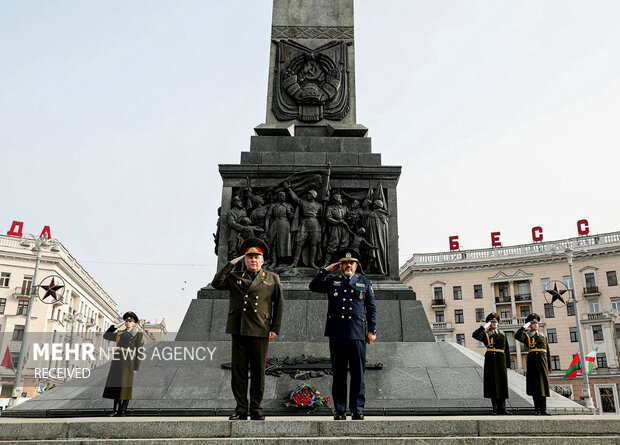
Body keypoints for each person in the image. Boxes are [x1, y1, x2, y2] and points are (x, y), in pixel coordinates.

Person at [211, 237, 284, 420]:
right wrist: (230, 263)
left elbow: (279, 304)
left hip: (260, 329)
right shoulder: (235, 277)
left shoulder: (272, 278)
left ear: (262, 260)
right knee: (239, 371)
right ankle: (241, 408)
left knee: (258, 372)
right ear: (245, 260)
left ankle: (256, 408)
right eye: (250, 257)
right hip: (240, 328)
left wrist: (275, 327)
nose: (253, 260)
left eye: (256, 257)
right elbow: (217, 283)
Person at [309, 247, 377, 420]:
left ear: (356, 265)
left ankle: (357, 409)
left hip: (357, 334)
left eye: (351, 263)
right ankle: (340, 410)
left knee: (358, 374)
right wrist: (325, 270)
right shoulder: (333, 281)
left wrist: (372, 330)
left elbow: (371, 308)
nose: (348, 265)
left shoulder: (365, 283)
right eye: (345, 263)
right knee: (339, 374)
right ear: (340, 265)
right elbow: (313, 286)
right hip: (337, 333)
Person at [102, 311, 144, 417]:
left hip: (128, 361)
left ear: (134, 323)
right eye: (126, 321)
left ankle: (122, 410)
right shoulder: (119, 333)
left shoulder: (138, 334)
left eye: (130, 321)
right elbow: (106, 336)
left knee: (125, 385)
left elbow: (139, 351)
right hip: (117, 361)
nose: (127, 322)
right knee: (116, 385)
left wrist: (136, 366)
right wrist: (116, 326)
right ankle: (115, 409)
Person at [472, 312, 511, 415]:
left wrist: (508, 364)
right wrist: (484, 327)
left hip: (501, 360)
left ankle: (502, 408)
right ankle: (495, 408)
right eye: (492, 322)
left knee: (502, 385)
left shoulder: (502, 333)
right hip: (491, 360)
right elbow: (475, 335)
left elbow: (506, 349)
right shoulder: (485, 333)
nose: (494, 323)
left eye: (495, 322)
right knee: (493, 384)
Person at [515, 313, 552, 415]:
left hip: (542, 362)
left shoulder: (543, 336)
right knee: (535, 386)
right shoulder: (527, 335)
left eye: (536, 323)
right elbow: (517, 336)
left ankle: (543, 409)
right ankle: (537, 409)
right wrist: (525, 326)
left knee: (543, 386)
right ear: (529, 325)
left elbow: (547, 351)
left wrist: (549, 366)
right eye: (533, 323)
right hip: (532, 362)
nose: (535, 325)